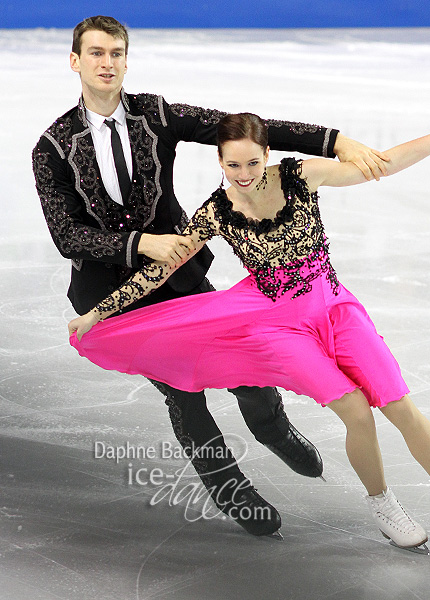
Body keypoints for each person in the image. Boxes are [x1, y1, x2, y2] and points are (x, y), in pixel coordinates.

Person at [69, 109, 430, 553]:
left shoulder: (300, 177)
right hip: (278, 325)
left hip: (333, 306)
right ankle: (384, 504)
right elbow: (162, 269)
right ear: (219, 162)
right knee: (355, 411)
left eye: (252, 163)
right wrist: (98, 313)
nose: (243, 174)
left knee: (398, 404)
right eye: (233, 165)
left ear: (267, 154)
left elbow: (380, 165)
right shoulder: (215, 212)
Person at [32, 15, 392, 538]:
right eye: (96, 53)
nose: (107, 63)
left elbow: (241, 130)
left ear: (127, 60)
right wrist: (141, 244)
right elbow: (67, 236)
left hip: (178, 278)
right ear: (75, 61)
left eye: (116, 53)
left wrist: (333, 141)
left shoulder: (155, 115)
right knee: (182, 390)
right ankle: (228, 486)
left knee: (243, 356)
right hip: (113, 293)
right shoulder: (53, 146)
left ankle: (270, 424)